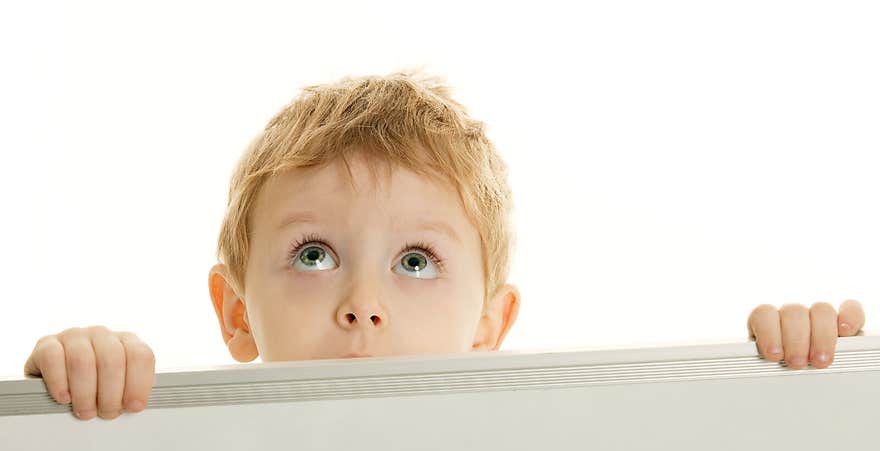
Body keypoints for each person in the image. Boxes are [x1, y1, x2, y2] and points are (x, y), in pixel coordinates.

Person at [22, 70, 868, 421]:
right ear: (235, 312)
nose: (365, 304)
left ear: (489, 323)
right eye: (313, 254)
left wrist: (798, 388)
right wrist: (77, 396)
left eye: (416, 261)